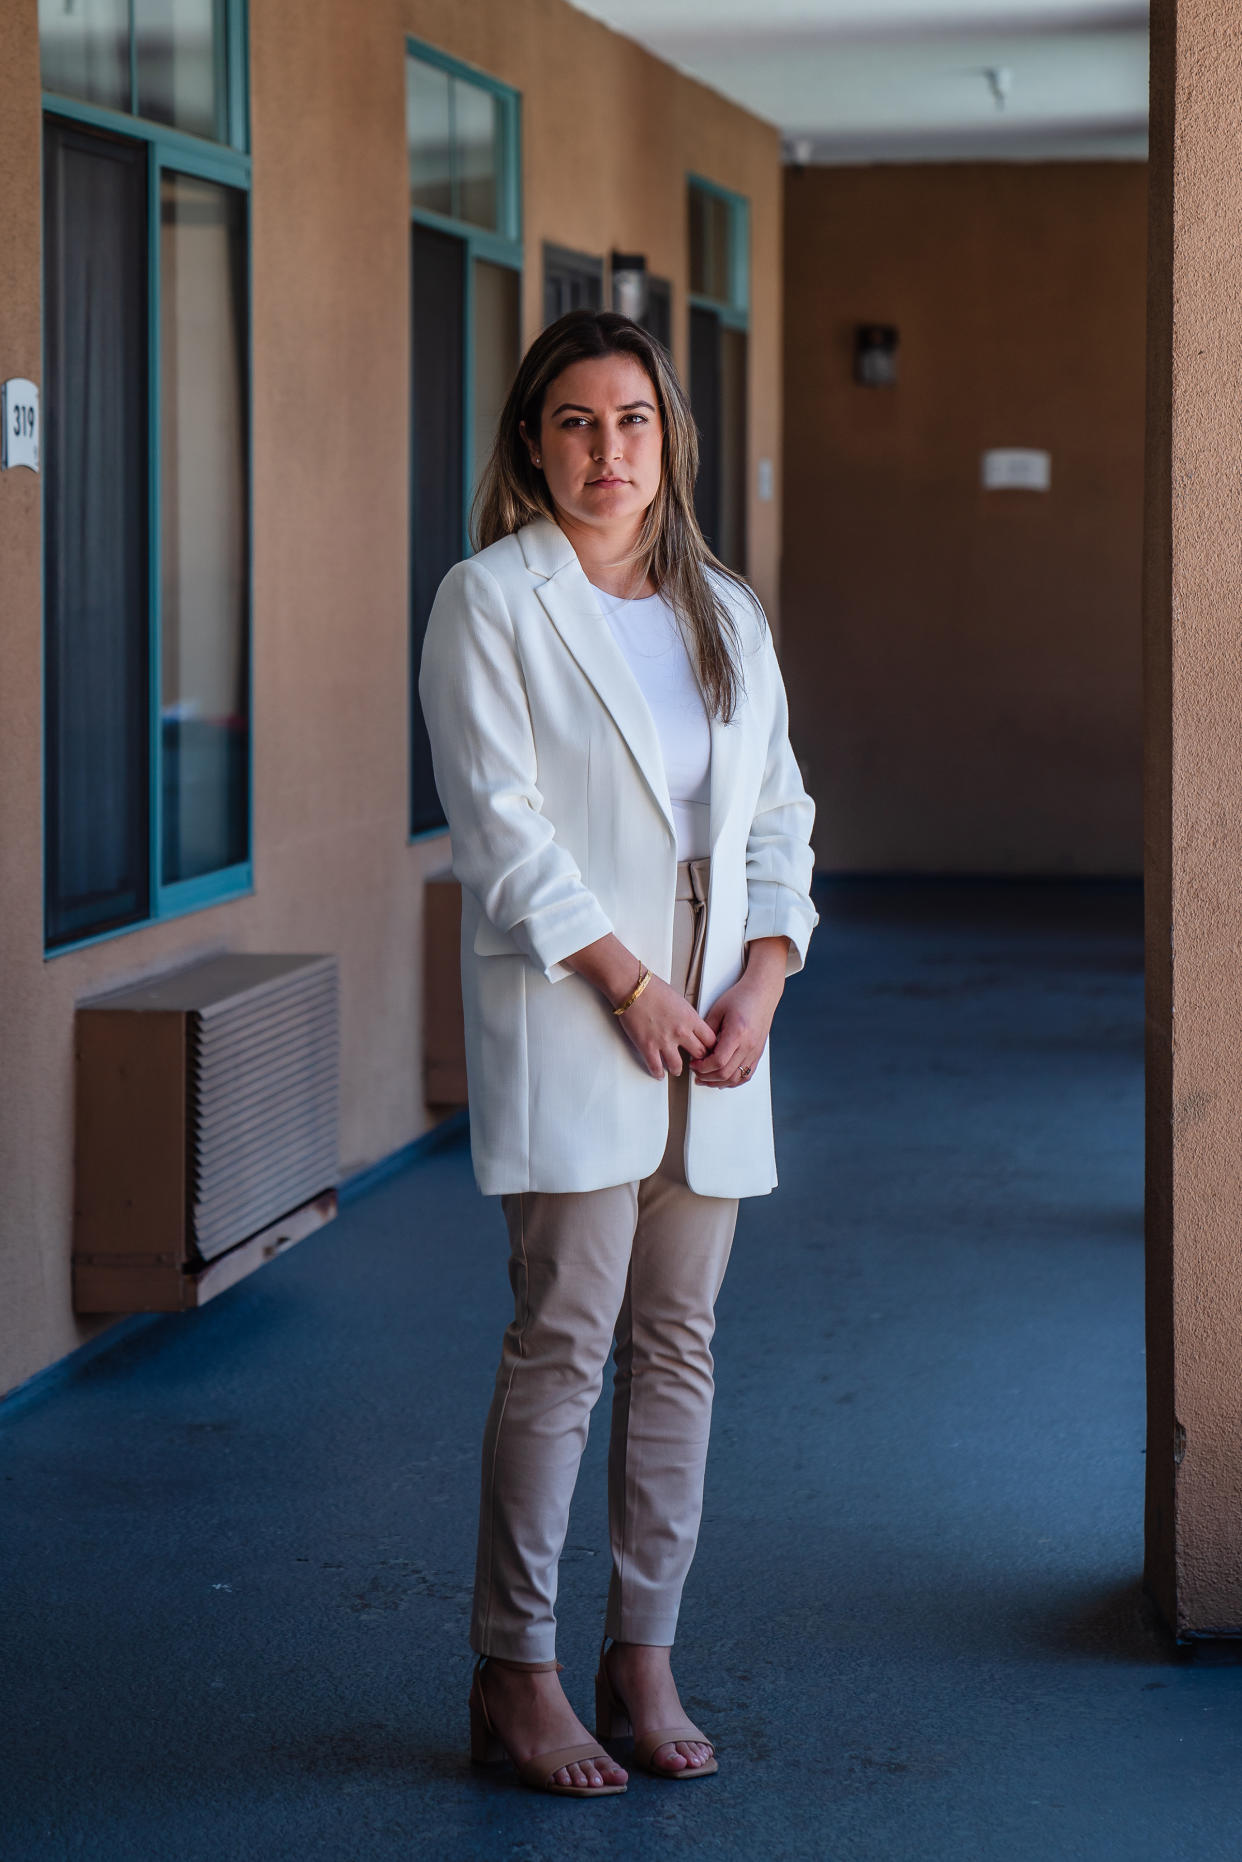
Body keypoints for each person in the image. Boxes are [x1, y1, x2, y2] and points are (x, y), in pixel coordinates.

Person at [418, 309, 817, 1799]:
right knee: (563, 1346)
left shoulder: (721, 607)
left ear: (670, 440)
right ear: (533, 439)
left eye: (633, 421)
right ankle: (512, 1667)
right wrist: (631, 984)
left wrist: (762, 976)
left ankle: (639, 1647)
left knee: (680, 1350)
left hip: (716, 1042)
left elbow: (777, 811)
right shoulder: (489, 601)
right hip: (586, 1024)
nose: (608, 451)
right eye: (577, 422)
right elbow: (501, 832)